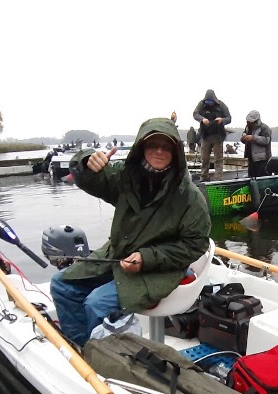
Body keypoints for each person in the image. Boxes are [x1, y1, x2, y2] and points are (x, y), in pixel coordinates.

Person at [50, 117, 211, 347]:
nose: (158, 151)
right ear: (140, 148)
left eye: (166, 146)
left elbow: (195, 245)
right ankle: (83, 349)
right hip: (118, 254)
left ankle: (105, 358)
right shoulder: (127, 176)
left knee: (96, 303)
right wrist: (87, 164)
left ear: (176, 152)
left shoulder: (190, 197)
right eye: (152, 144)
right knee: (61, 285)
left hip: (161, 268)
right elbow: (93, 180)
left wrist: (147, 258)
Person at [192, 89, 232, 181]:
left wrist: (222, 120)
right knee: (204, 158)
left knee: (218, 159)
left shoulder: (221, 105)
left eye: (210, 101)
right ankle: (204, 177)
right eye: (207, 102)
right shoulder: (201, 104)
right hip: (205, 135)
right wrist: (202, 119)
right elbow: (195, 114)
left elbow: (229, 118)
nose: (209, 103)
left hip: (218, 136)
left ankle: (218, 179)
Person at [241, 110, 272, 178]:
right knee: (251, 177)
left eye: (251, 121)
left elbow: (266, 140)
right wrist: (243, 138)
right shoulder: (247, 128)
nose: (249, 122)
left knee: (262, 178)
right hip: (251, 158)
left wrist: (253, 138)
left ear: (257, 120)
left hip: (262, 159)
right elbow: (243, 140)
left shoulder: (264, 128)